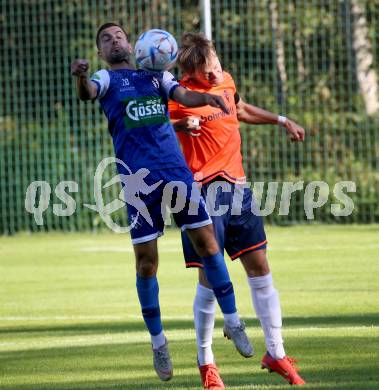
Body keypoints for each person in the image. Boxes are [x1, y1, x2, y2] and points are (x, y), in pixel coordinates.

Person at [70, 23, 253, 382]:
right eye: (106, 39)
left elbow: (183, 96)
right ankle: (158, 342)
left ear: (132, 43)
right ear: (99, 53)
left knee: (208, 245)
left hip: (176, 172)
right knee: (146, 265)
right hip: (139, 182)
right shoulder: (106, 79)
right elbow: (88, 92)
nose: (115, 41)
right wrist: (81, 77)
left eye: (119, 36)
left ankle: (233, 320)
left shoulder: (155, 76)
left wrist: (209, 98)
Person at [169, 32, 306, 388]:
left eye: (215, 66)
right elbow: (154, 129)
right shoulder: (178, 95)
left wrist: (281, 119)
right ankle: (207, 364)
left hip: (237, 188)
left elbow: (239, 110)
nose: (215, 75)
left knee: (260, 267)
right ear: (190, 73)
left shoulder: (226, 80)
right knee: (210, 279)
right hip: (199, 193)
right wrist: (180, 124)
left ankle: (276, 353)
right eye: (207, 72)